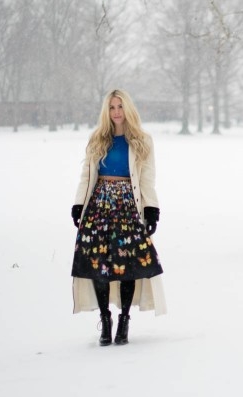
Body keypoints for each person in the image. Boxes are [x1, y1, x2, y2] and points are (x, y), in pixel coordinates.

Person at [70, 89, 166, 346]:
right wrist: (79, 204)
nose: (116, 112)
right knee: (99, 266)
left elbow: (147, 178)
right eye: (112, 107)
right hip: (99, 207)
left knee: (127, 267)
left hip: (127, 206)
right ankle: (105, 318)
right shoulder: (97, 139)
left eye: (120, 107)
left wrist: (151, 209)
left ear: (128, 109)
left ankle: (124, 319)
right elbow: (85, 176)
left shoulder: (142, 140)